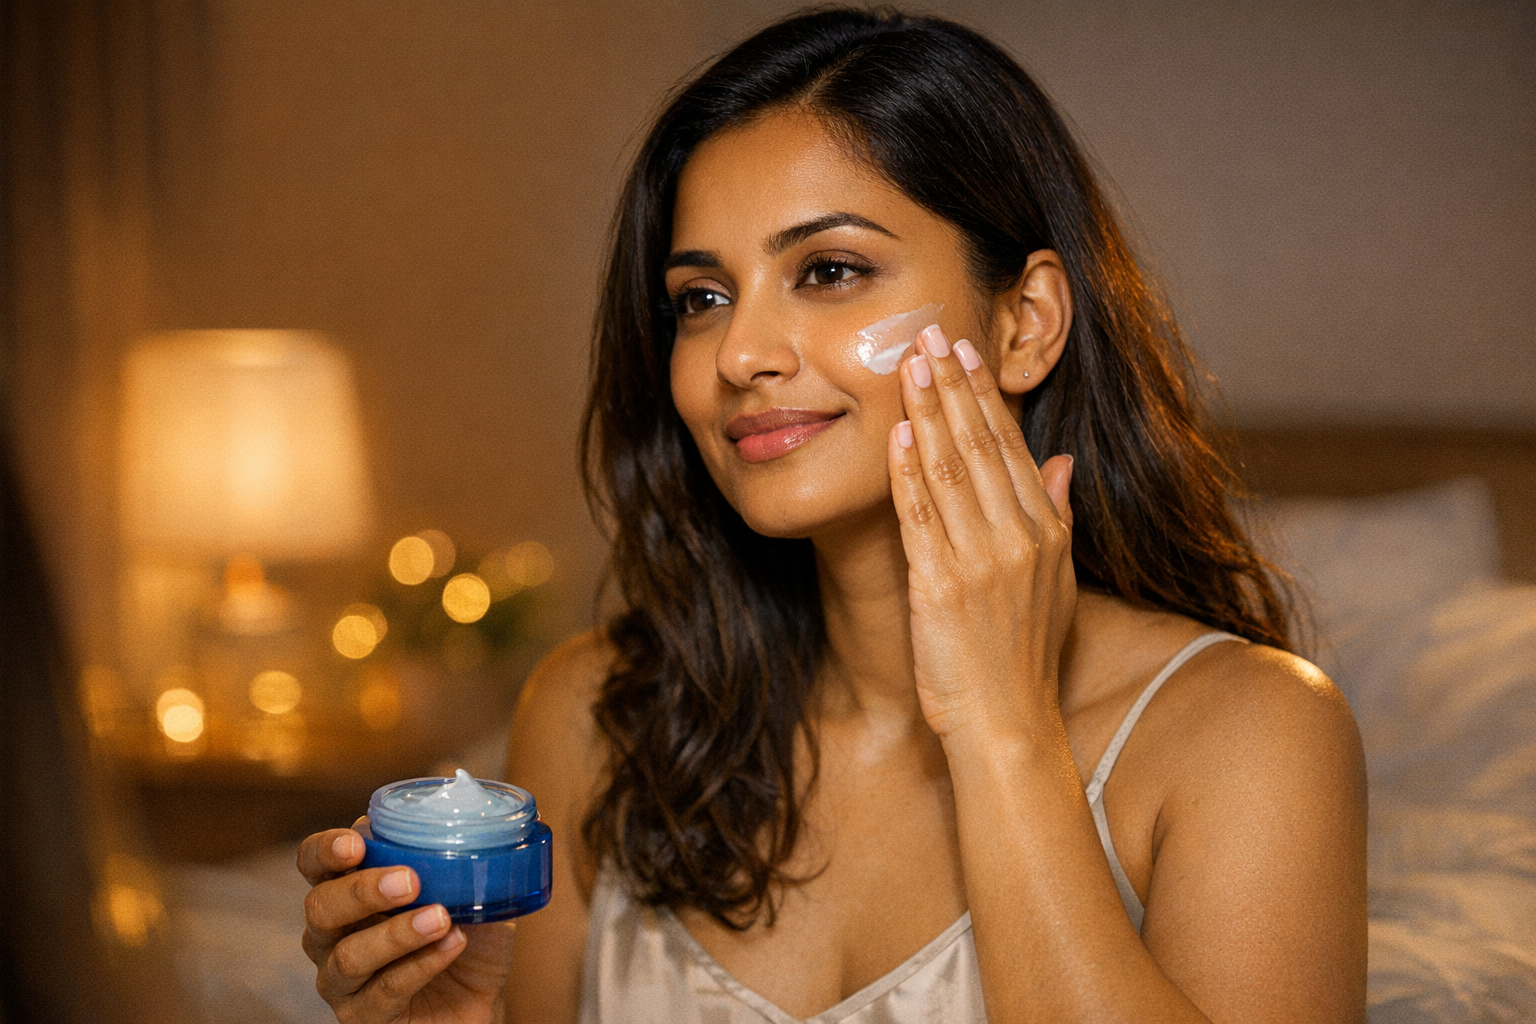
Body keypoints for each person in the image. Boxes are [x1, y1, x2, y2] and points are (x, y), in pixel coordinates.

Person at [297, 8, 1367, 1022]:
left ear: (1025, 323)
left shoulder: (1253, 735)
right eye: (700, 299)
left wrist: (1002, 729)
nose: (741, 355)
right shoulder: (591, 717)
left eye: (831, 271)